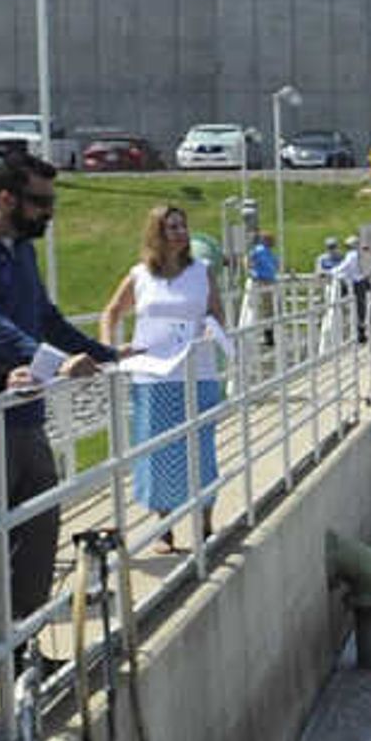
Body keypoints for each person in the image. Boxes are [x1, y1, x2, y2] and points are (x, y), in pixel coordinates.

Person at [0, 149, 112, 655]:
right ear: (5, 198)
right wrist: (45, 357)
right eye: (39, 202)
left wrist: (106, 353)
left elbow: (44, 316)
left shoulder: (22, 251)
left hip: (29, 414)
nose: (48, 212)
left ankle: (26, 643)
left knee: (39, 523)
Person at [100, 202, 231, 551]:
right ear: (157, 233)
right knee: (157, 454)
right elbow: (111, 312)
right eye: (172, 227)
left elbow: (218, 315)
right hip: (153, 377)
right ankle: (164, 526)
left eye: (182, 226)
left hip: (195, 373)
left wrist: (210, 330)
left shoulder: (201, 271)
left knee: (199, 450)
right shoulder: (140, 275)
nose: (180, 233)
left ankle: (203, 522)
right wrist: (108, 348)